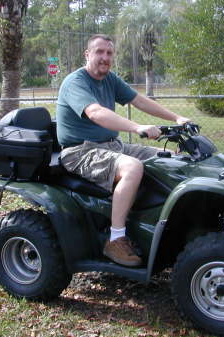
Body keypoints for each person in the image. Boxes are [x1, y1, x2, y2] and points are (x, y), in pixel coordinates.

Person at [56, 34, 190, 267]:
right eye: (99, 52)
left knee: (168, 159)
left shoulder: (109, 79)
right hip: (80, 151)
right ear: (87, 55)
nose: (105, 57)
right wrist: (137, 127)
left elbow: (139, 100)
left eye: (109, 53)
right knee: (132, 167)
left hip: (111, 145)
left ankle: (161, 222)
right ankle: (115, 239)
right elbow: (95, 112)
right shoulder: (75, 82)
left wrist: (176, 117)